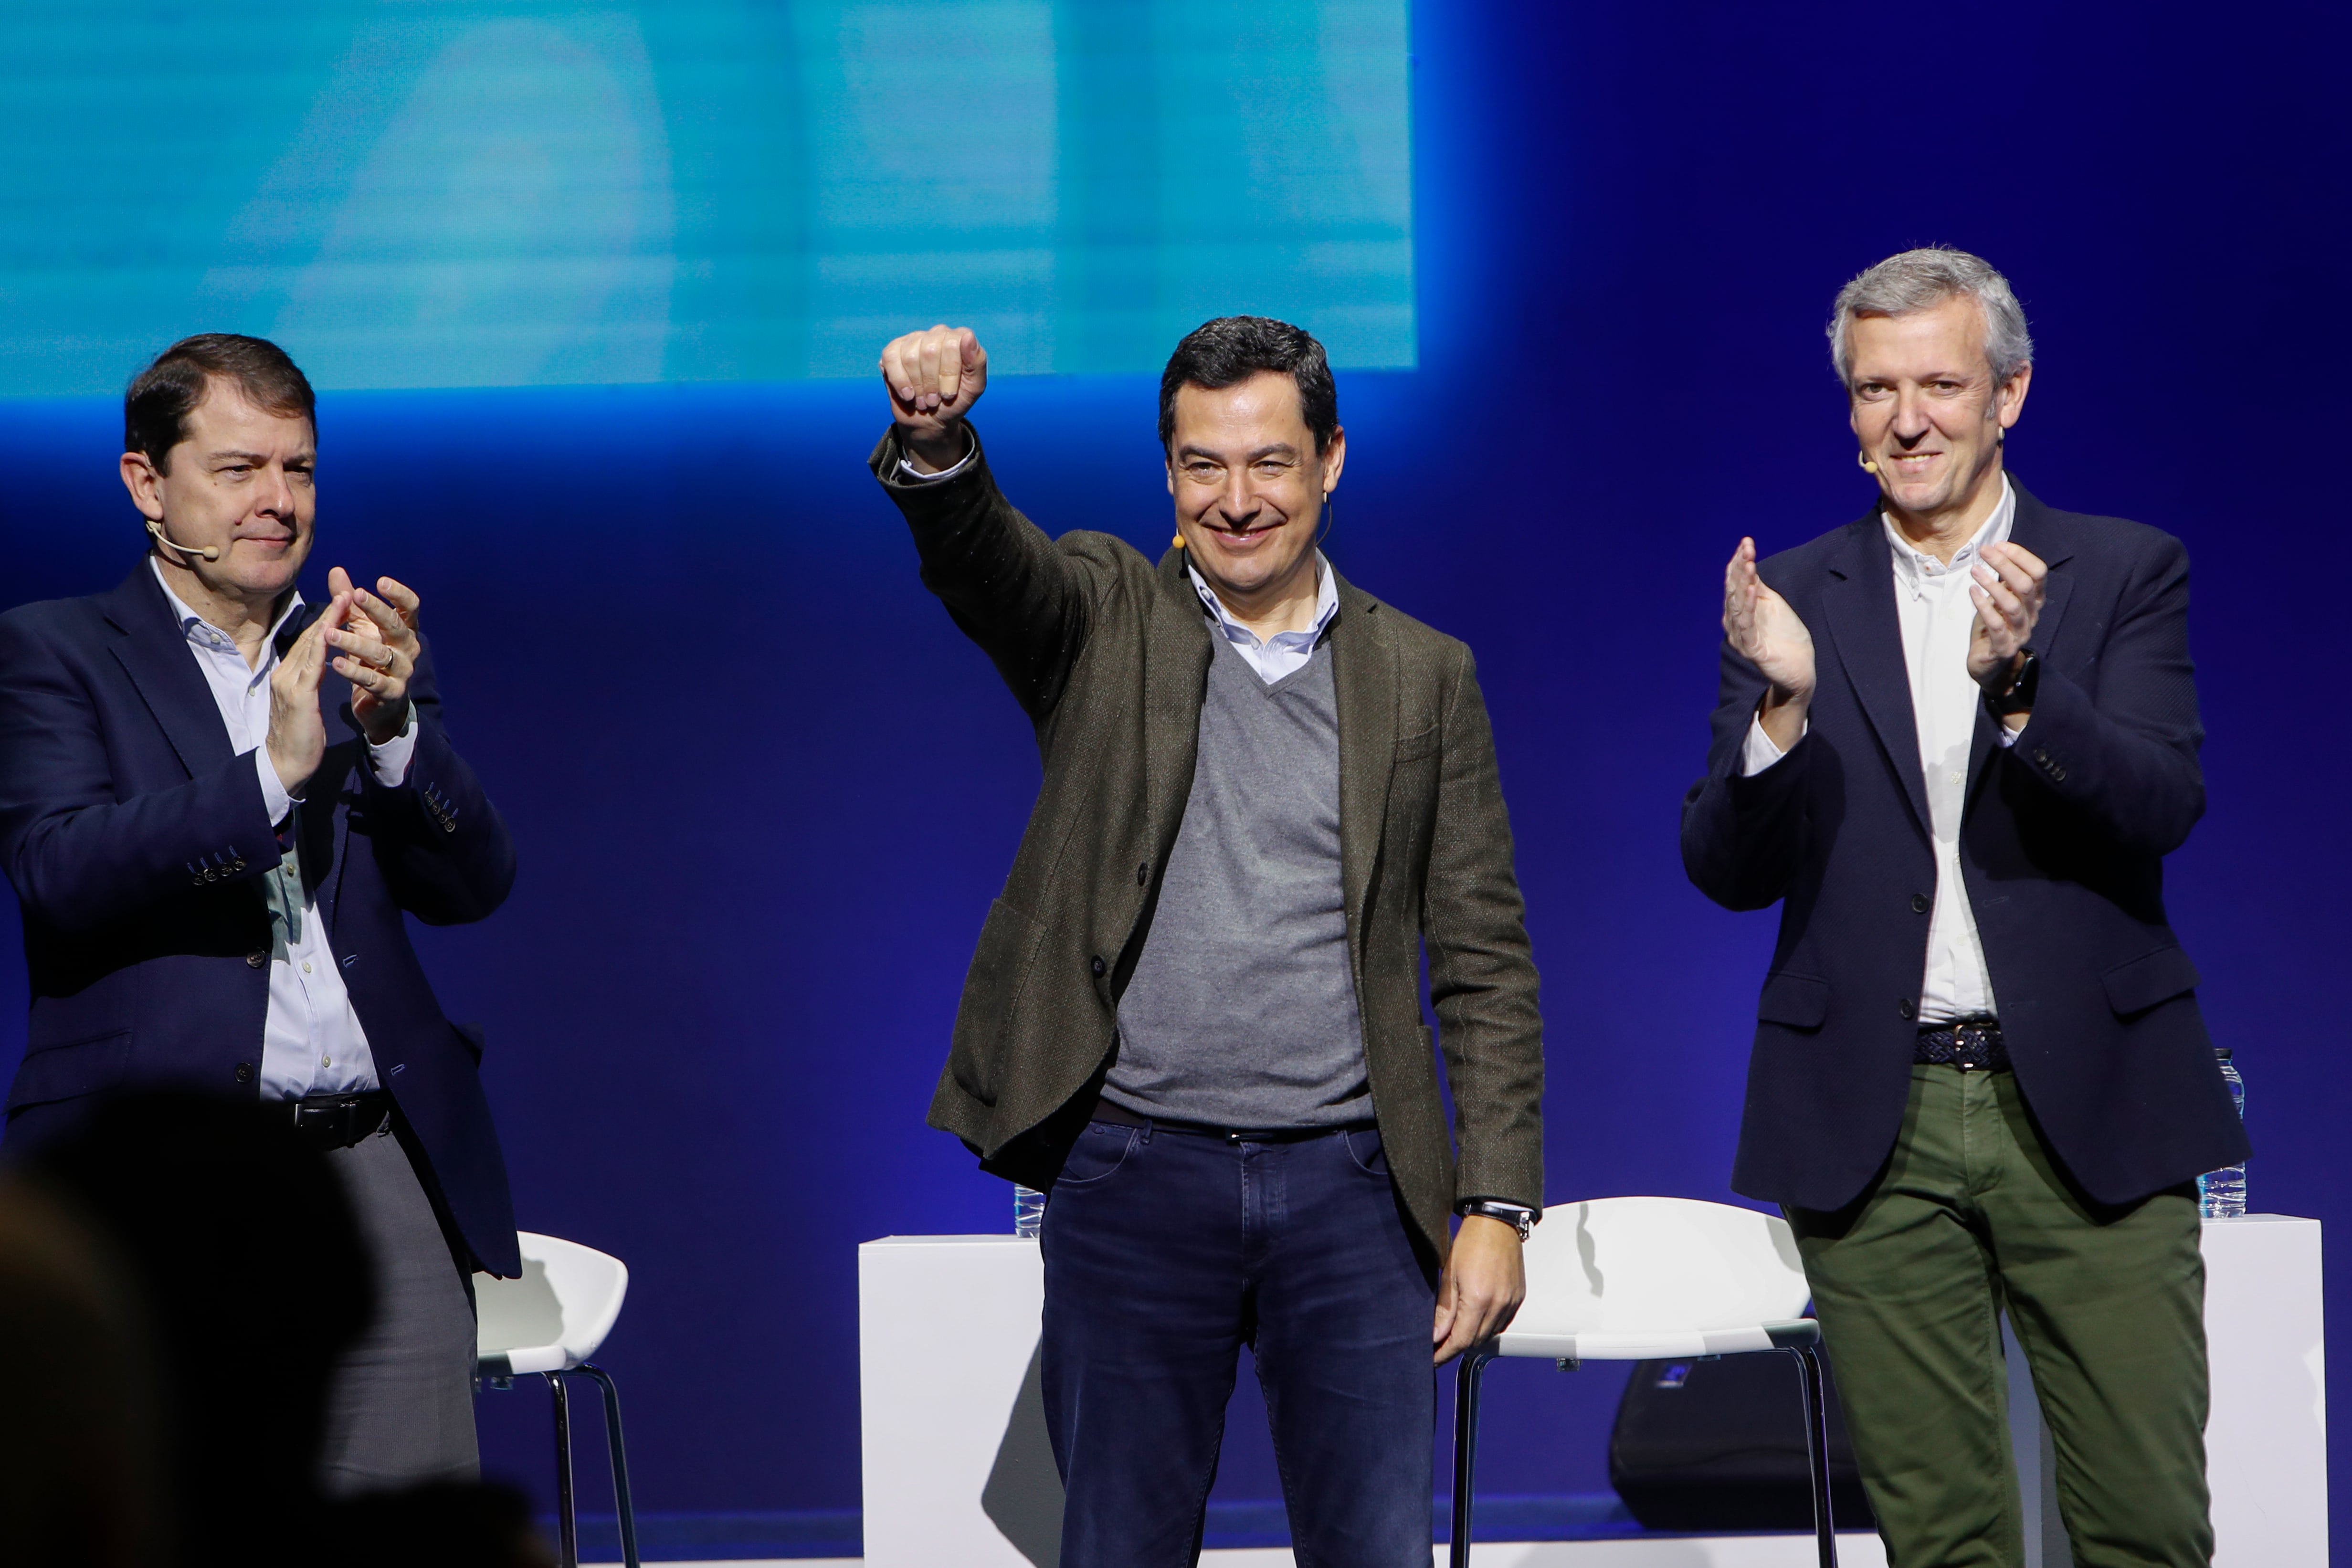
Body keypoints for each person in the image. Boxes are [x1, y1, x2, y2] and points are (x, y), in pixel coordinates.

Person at [871, 316, 1545, 1566]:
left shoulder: (1421, 673)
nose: (1238, 501)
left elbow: (1484, 953)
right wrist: (938, 442)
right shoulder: (1104, 618)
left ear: (1331, 460)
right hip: (1135, 1177)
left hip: (1354, 1190)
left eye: (1271, 462)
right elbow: (983, 561)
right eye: (1203, 465)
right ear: (1169, 474)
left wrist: (1496, 1199)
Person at [1683, 248, 2247, 1567]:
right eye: (1877, 388)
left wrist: (2024, 692)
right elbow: (1724, 864)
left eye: (1941, 382)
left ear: (2010, 394)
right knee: (1946, 1540)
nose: (1908, 416)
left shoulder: (2117, 569)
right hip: (1874, 1124)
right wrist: (1780, 707)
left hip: (2092, 1103)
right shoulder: (1791, 598)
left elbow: (2164, 802)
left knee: (2149, 1525)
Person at [0, 334, 521, 1495]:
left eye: (300, 470)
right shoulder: (55, 651)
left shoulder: (358, 655)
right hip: (156, 1168)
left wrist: (392, 735)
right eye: (240, 470)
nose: (279, 503)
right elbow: (56, 867)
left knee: (410, 1523)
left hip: (375, 1155)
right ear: (148, 484)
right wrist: (266, 783)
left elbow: (475, 886)